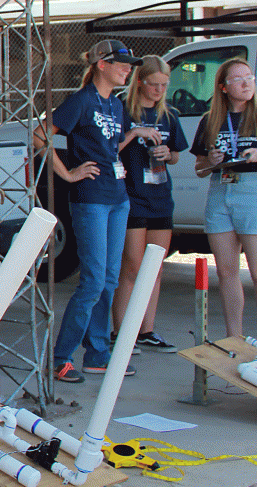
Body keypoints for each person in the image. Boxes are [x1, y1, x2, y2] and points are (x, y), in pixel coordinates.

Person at [38, 39, 145, 384]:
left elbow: (112, 144)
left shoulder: (115, 103)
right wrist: (68, 173)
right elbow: (40, 136)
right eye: (122, 64)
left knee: (110, 279)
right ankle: (60, 357)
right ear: (102, 63)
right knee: (94, 280)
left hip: (117, 196)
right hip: (91, 198)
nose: (128, 70)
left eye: (130, 65)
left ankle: (98, 354)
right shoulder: (82, 100)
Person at [109, 56, 187, 353]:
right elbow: (111, 147)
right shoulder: (123, 109)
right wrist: (135, 133)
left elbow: (177, 155)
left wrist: (169, 154)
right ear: (140, 81)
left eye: (164, 85)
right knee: (131, 266)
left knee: (155, 267)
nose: (158, 90)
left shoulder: (169, 114)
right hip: (131, 194)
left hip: (160, 196)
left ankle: (147, 330)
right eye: (154, 84)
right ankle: (121, 331)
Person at [191, 58, 257, 338]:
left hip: (252, 191)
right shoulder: (211, 119)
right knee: (227, 272)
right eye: (238, 79)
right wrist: (212, 160)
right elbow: (199, 169)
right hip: (220, 189)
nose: (246, 83)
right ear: (223, 88)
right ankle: (235, 338)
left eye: (250, 77)